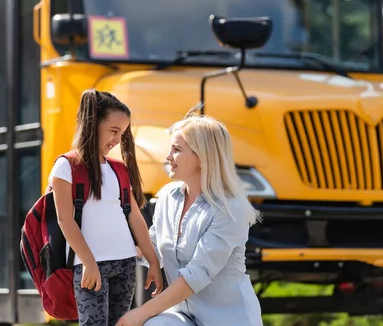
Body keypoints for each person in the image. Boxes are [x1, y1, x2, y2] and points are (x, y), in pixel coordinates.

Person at [116, 114, 263, 326]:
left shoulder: (231, 209)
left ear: (202, 157)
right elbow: (152, 248)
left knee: (147, 321)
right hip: (183, 316)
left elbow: (197, 275)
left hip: (229, 319)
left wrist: (141, 313)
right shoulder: (168, 196)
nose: (167, 157)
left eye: (176, 150)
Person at [50, 88, 163, 325]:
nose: (117, 139)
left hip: (126, 264)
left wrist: (153, 260)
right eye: (113, 130)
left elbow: (134, 216)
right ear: (93, 124)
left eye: (122, 133)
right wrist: (89, 262)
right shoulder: (66, 166)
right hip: (90, 266)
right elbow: (65, 220)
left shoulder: (118, 169)